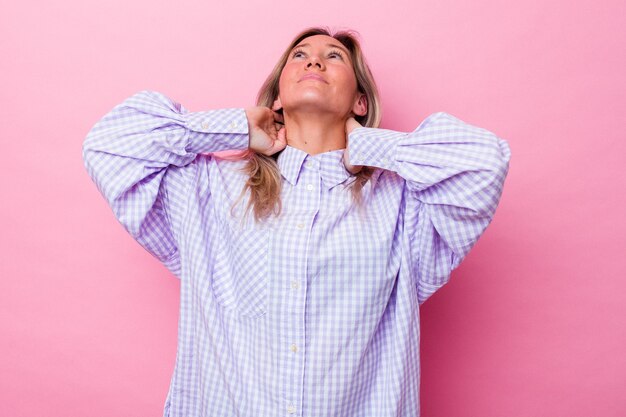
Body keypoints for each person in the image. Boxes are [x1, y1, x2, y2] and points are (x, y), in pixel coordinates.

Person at [83, 26, 511, 417]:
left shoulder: (404, 205)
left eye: (335, 56)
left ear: (360, 101)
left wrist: (369, 145)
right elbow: (108, 145)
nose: (314, 61)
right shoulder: (208, 188)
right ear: (277, 98)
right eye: (299, 55)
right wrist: (233, 128)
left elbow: (484, 164)